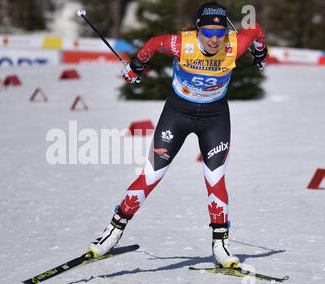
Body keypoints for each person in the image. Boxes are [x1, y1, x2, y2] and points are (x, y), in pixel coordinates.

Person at [88, 1, 269, 268]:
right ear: (197, 31)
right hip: (177, 114)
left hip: (214, 118)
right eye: (207, 33)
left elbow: (254, 29)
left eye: (219, 34)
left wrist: (260, 52)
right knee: (151, 175)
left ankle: (220, 244)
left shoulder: (233, 45)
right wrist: (136, 66)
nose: (214, 40)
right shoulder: (180, 44)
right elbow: (152, 43)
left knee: (215, 178)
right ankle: (113, 231)